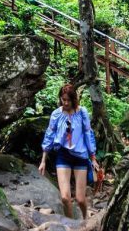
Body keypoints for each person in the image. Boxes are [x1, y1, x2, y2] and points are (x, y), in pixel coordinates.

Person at [38, 84, 99, 219]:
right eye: (63, 99)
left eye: (68, 100)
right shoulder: (56, 114)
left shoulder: (82, 112)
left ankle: (85, 219)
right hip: (63, 156)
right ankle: (72, 224)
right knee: (65, 198)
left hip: (80, 157)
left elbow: (88, 134)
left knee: (80, 199)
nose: (65, 103)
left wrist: (93, 157)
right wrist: (43, 161)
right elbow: (49, 135)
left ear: (73, 100)